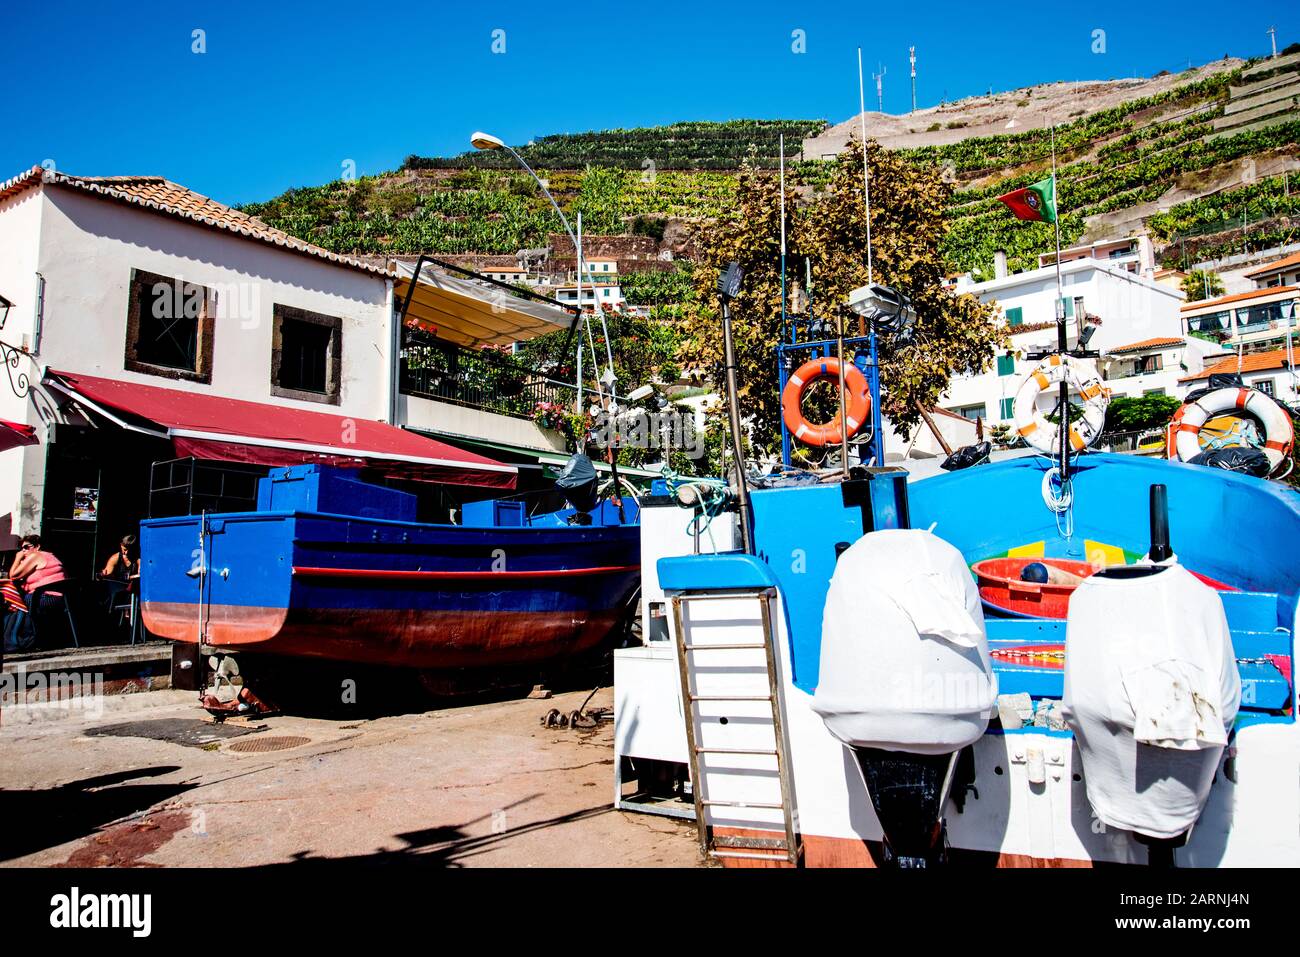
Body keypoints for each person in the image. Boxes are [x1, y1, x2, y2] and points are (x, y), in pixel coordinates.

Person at [4, 535, 68, 652]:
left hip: (45, 597)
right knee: (17, 600)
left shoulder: (36, 556)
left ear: (37, 546)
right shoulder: (49, 556)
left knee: (14, 603)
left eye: (27, 547)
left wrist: (17, 558)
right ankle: (18, 637)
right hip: (59, 598)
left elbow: (13, 576)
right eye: (21, 548)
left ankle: (18, 639)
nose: (23, 551)